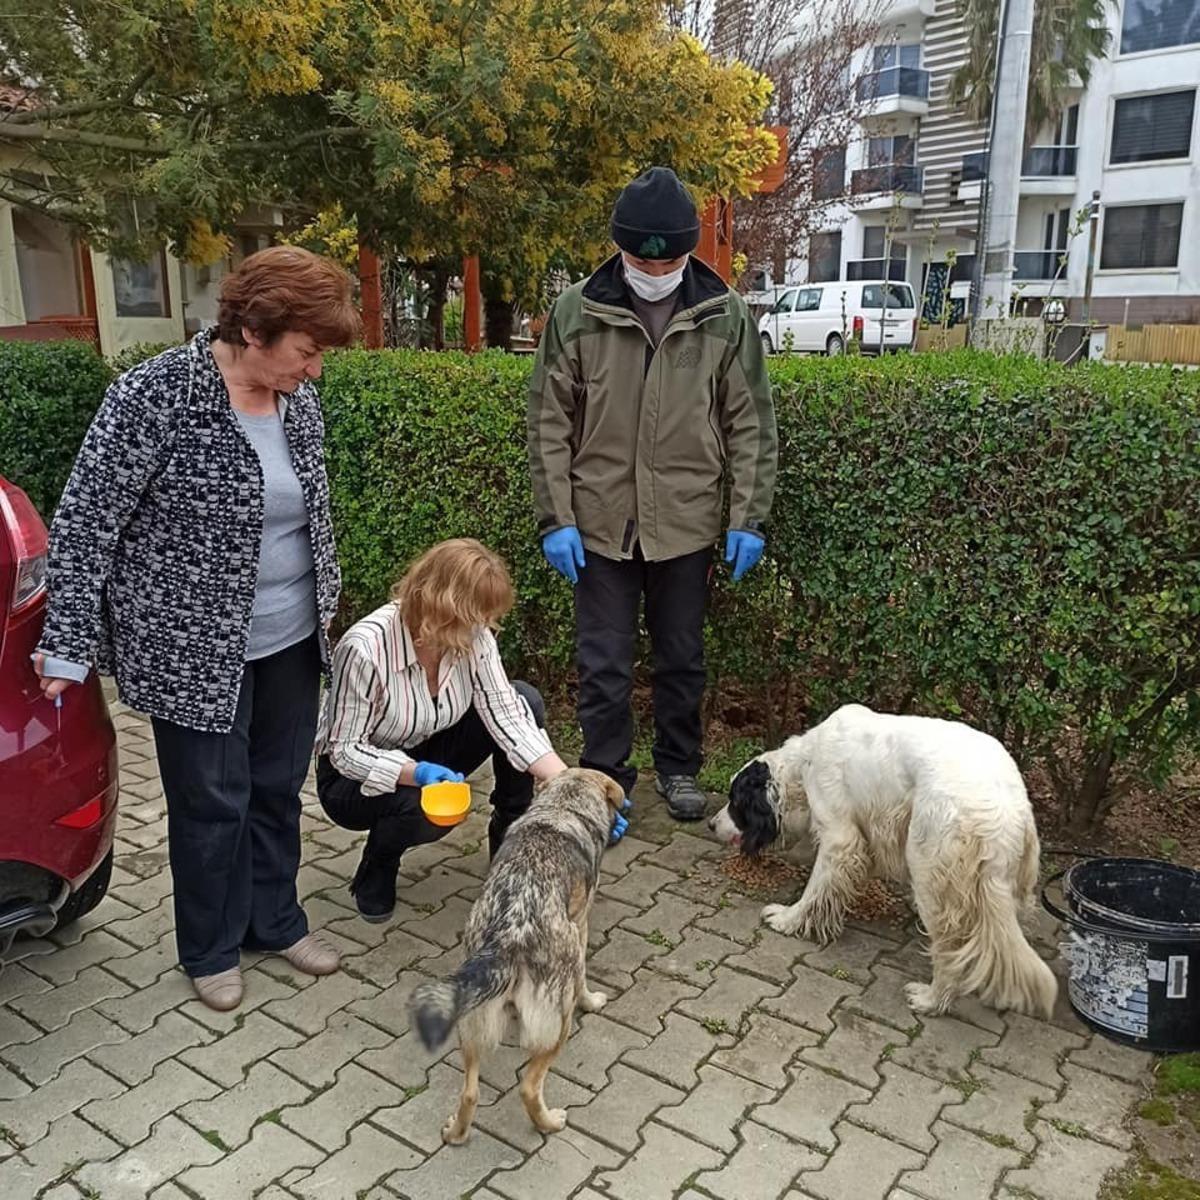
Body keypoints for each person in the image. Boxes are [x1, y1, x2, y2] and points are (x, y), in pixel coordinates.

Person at [34, 246, 358, 1011]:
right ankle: (209, 945)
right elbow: (86, 522)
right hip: (190, 646)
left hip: (289, 633)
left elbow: (303, 511)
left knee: (277, 788)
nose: (314, 371)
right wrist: (68, 640)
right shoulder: (156, 394)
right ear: (253, 328)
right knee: (213, 802)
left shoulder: (296, 400)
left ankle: (275, 919)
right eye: (306, 352)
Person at [527, 166, 778, 821]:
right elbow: (549, 419)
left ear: (689, 250)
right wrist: (556, 516)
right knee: (604, 663)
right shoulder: (577, 311)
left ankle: (679, 766)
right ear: (621, 247)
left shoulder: (723, 314)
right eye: (640, 258)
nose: (654, 269)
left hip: (687, 520)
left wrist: (748, 516)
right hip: (599, 521)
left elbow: (750, 419)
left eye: (667, 260)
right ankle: (604, 781)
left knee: (681, 657)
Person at [315, 538, 578, 923]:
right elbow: (344, 750)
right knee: (425, 812)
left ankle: (510, 840)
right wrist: (414, 773)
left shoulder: (474, 635)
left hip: (428, 747)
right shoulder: (365, 648)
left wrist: (569, 784)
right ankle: (379, 862)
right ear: (441, 607)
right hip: (353, 776)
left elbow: (506, 714)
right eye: (475, 617)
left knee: (525, 699)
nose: (484, 628)